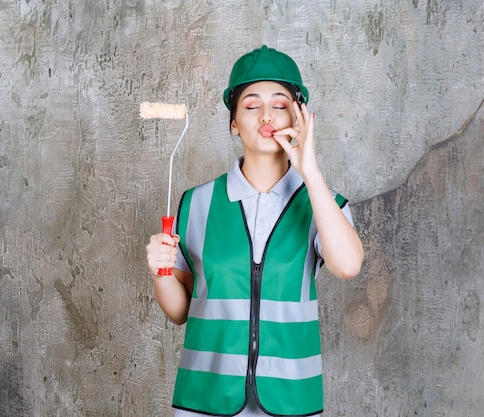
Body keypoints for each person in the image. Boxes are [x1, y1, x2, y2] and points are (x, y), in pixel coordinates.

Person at [145, 45, 364, 417]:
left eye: (280, 105)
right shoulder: (195, 204)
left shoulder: (322, 203)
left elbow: (347, 266)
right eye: (251, 105)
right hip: (204, 400)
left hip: (291, 401)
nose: (266, 115)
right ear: (233, 123)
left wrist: (309, 171)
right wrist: (161, 273)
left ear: (299, 117)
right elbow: (181, 310)